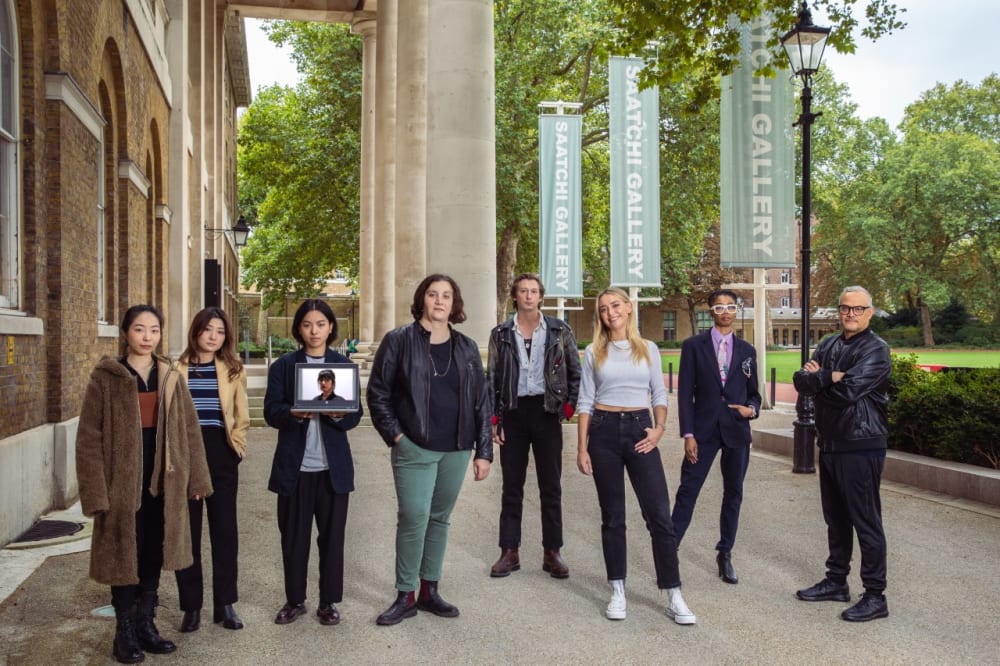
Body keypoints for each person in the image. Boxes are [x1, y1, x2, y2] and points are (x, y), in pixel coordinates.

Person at [76, 305, 212, 664]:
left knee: (153, 551)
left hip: (163, 482)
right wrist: (95, 492)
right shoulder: (107, 377)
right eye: (139, 329)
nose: (147, 337)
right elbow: (88, 438)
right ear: (126, 333)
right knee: (124, 556)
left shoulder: (170, 377)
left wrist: (197, 478)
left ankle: (145, 624)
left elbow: (190, 430)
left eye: (154, 330)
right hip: (121, 485)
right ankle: (124, 633)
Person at [367, 273, 492, 626]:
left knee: (439, 518)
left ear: (454, 304)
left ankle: (429, 590)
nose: (439, 301)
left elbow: (481, 401)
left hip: (457, 448)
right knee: (413, 517)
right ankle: (405, 594)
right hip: (414, 448)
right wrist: (397, 437)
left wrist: (484, 451)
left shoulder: (466, 347)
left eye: (446, 295)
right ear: (422, 299)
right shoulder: (398, 341)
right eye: (433, 294)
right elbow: (378, 393)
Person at [576, 287, 695, 625]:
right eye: (603, 309)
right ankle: (617, 590)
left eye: (615, 305)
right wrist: (582, 448)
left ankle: (673, 593)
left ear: (628, 307)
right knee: (613, 516)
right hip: (603, 431)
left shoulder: (648, 349)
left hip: (641, 430)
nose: (610, 312)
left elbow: (659, 393)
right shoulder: (593, 352)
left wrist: (659, 429)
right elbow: (586, 401)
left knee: (659, 515)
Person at [793, 285, 892, 622]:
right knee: (835, 519)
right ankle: (836, 581)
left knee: (866, 521)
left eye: (858, 308)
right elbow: (800, 381)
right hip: (831, 443)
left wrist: (819, 380)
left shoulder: (876, 350)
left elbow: (847, 392)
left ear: (869, 312)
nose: (851, 313)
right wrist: (829, 377)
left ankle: (875, 595)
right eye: (845, 308)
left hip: (861, 444)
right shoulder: (828, 344)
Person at [264, 299, 363, 626]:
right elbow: (271, 412)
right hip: (295, 468)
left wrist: (339, 415)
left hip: (333, 470)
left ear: (331, 327)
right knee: (294, 539)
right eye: (307, 325)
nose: (314, 331)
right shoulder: (283, 367)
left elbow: (356, 415)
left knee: (332, 539)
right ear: (299, 329)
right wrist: (292, 413)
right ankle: (295, 600)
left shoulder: (342, 366)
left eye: (320, 324)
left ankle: (328, 602)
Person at [486, 273, 581, 578]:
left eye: (533, 291)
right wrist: (495, 420)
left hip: (546, 412)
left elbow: (575, 372)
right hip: (513, 413)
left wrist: (567, 408)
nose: (528, 295)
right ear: (515, 296)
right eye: (523, 291)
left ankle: (552, 552)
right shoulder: (501, 333)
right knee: (511, 486)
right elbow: (492, 379)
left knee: (550, 486)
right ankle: (509, 551)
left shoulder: (559, 330)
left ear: (541, 296)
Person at [672, 289, 761, 585]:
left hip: (737, 430)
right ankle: (669, 551)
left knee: (733, 493)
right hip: (703, 431)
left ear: (736, 310)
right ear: (710, 311)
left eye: (730, 307)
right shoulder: (693, 346)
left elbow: (754, 394)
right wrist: (688, 433)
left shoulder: (747, 350)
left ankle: (725, 553)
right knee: (688, 490)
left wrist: (751, 410)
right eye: (719, 307)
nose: (725, 312)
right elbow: (685, 394)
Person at [174, 307, 250, 633]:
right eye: (208, 330)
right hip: (187, 455)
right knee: (187, 535)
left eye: (219, 332)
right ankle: (191, 607)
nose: (213, 336)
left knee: (224, 532)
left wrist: (237, 449)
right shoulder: (176, 369)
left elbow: (241, 415)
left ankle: (225, 604)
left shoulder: (233, 369)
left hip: (221, 454)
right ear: (196, 331)